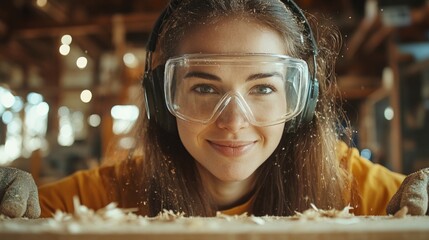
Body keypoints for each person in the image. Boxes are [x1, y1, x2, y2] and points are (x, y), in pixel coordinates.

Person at [0, 0, 428, 219]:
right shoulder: (108, 195)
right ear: (161, 100)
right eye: (205, 87)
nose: (234, 120)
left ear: (299, 103)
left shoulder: (354, 186)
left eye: (261, 88)